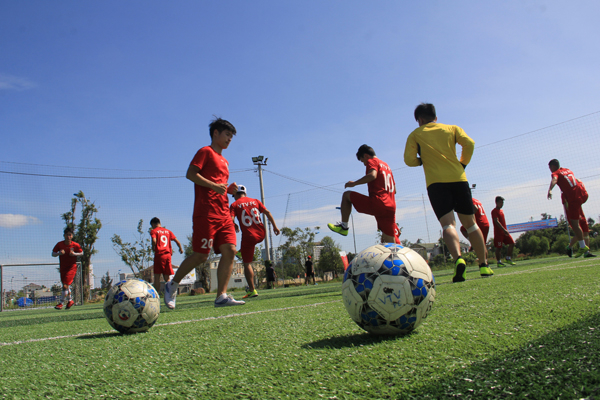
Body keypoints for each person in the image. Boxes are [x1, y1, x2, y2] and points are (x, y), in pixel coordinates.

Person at [163, 117, 245, 309]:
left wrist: (228, 189)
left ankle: (221, 296)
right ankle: (172, 285)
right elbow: (190, 174)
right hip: (205, 212)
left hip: (223, 213)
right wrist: (214, 186)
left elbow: (220, 187)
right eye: (227, 135)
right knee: (201, 255)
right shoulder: (205, 152)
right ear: (215, 133)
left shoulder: (225, 161)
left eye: (232, 137)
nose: (229, 140)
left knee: (231, 250)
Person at [404, 103, 491, 282]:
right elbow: (469, 143)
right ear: (435, 117)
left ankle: (458, 259)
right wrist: (462, 163)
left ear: (419, 120)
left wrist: (422, 161)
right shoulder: (452, 128)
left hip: (436, 183)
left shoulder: (415, 134)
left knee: (448, 225)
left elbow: (408, 160)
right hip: (459, 178)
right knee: (471, 224)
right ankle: (483, 266)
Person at [328, 144, 399, 244]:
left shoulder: (372, 161)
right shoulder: (387, 166)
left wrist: (354, 183)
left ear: (365, 156)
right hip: (391, 207)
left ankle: (344, 227)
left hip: (378, 202)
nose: (365, 164)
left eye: (363, 161)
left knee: (346, 195)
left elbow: (372, 175)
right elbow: (394, 190)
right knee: (391, 244)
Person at [230, 184, 280, 298]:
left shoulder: (234, 204)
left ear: (235, 195)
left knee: (247, 264)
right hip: (262, 233)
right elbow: (267, 212)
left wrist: (234, 225)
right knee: (246, 250)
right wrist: (275, 227)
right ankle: (241, 252)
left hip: (248, 236)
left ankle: (252, 290)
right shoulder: (255, 201)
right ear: (245, 193)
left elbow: (230, 219)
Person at [547, 159, 595, 257]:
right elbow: (576, 180)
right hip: (582, 196)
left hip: (573, 200)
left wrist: (550, 190)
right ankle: (585, 251)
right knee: (581, 227)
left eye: (550, 168)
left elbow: (555, 180)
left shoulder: (556, 173)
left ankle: (583, 247)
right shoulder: (568, 170)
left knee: (575, 225)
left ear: (552, 167)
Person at [51, 227, 83, 310]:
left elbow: (81, 252)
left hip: (71, 267)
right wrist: (59, 253)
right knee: (65, 286)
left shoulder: (75, 245)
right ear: (64, 235)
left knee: (65, 285)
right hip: (63, 267)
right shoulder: (60, 244)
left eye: (70, 235)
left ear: (72, 236)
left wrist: (74, 254)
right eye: (67, 235)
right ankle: (70, 301)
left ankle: (61, 303)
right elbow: (53, 254)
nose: (68, 236)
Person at [150, 217, 183, 293]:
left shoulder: (154, 231)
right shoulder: (168, 231)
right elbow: (177, 241)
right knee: (167, 277)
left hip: (159, 254)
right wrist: (180, 249)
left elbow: (154, 241)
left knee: (157, 276)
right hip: (168, 255)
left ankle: (156, 295)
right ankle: (171, 293)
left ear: (153, 224)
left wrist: (153, 247)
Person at [491, 196, 516, 266]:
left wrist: (505, 230)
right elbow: (496, 221)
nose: (501, 204)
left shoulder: (501, 211)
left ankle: (508, 258)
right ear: (496, 202)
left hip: (504, 232)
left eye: (502, 202)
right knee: (499, 247)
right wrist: (503, 230)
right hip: (499, 233)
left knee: (512, 243)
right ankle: (499, 262)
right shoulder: (494, 211)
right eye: (500, 202)